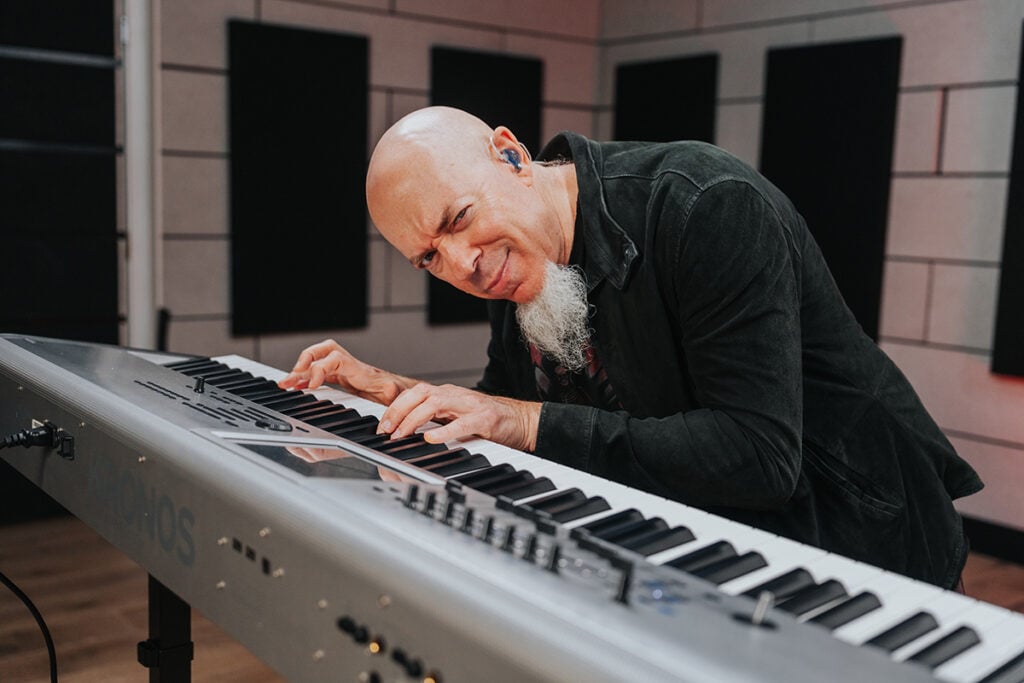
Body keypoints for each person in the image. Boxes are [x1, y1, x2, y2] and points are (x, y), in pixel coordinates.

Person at [279, 106, 983, 589]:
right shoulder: (513, 263)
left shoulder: (705, 205)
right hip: (731, 549)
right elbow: (493, 416)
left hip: (867, 546)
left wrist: (523, 422)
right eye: (429, 257)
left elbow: (760, 456)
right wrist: (387, 390)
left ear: (510, 152)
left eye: (458, 219)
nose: (462, 263)